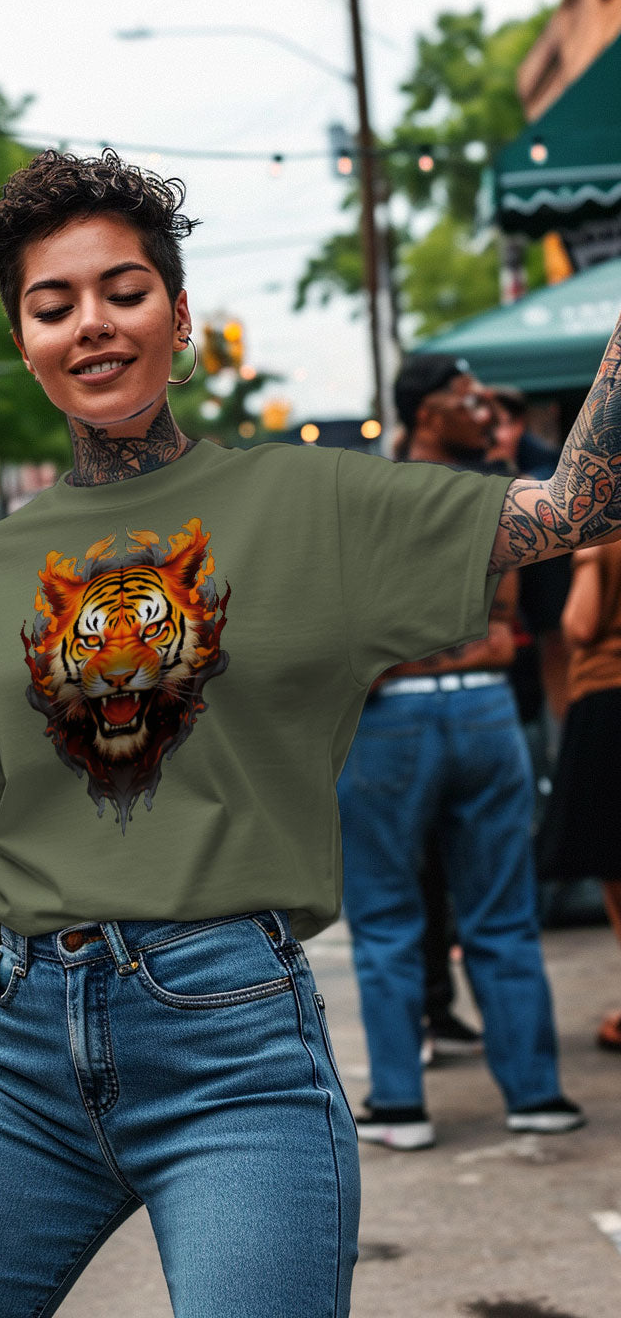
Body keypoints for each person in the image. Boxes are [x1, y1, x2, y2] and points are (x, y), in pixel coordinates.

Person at [0, 150, 621, 1317]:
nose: (90, 326)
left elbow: (576, 506)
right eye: (52, 306)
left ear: (179, 313)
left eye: (123, 291)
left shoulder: (312, 503)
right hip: (26, 1061)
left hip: (233, 1053)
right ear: (23, 342)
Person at [336, 354, 582, 1149]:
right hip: (480, 711)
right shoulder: (494, 495)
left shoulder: (366, 500)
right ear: (421, 411)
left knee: (387, 921)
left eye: (482, 398)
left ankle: (402, 1104)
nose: (481, 411)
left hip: (399, 720)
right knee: (499, 916)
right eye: (463, 399)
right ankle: (534, 1094)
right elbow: (507, 630)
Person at [537, 538, 621, 1052]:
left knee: (616, 874)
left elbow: (579, 625)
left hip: (609, 703)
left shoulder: (606, 544)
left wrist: (589, 560)